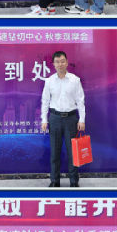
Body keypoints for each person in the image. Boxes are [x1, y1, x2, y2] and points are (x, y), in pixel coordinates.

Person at [40, 51, 85, 187]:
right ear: (53, 64)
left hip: (71, 119)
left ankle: (74, 181)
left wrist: (82, 119)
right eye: (57, 62)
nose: (60, 64)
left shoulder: (75, 80)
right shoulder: (49, 81)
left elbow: (80, 101)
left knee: (73, 153)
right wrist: (44, 120)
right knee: (55, 152)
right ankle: (54, 181)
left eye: (62, 61)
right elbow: (45, 101)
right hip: (54, 118)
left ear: (67, 62)